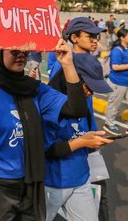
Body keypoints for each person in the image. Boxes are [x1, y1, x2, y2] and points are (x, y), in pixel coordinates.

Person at [0, 39, 88, 221]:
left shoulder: (35, 90)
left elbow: (77, 109)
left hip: (31, 185)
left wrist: (67, 64)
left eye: (26, 50)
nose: (21, 54)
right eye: (14, 49)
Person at [46, 17, 115, 221]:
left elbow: (84, 115)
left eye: (97, 36)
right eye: (90, 35)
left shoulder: (90, 65)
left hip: (81, 172)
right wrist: (82, 142)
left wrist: (89, 139)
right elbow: (46, 148)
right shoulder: (54, 94)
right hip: (54, 179)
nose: (95, 40)